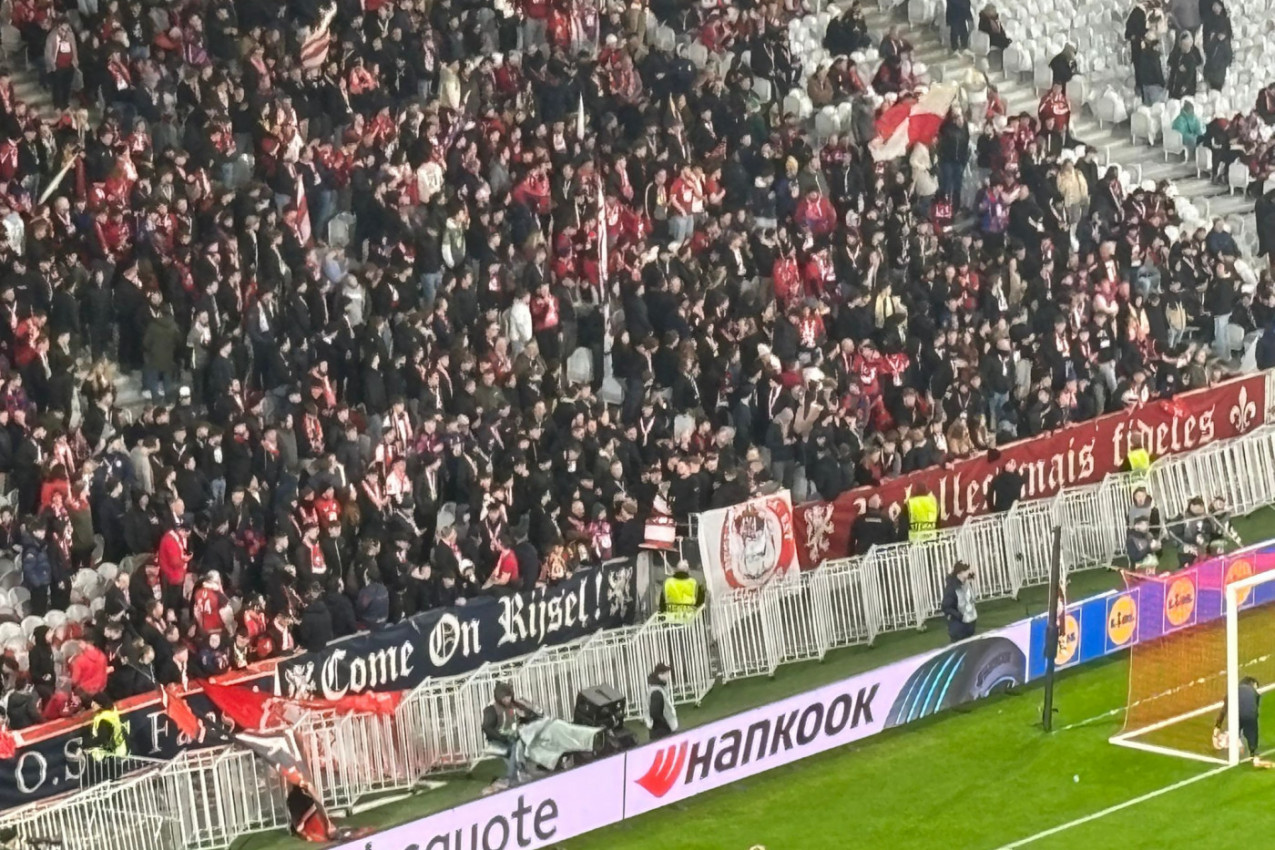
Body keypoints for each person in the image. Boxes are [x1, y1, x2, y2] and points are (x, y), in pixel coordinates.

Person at [481, 682, 532, 793]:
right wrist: (502, 738)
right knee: (515, 745)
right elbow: (487, 727)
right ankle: (512, 776)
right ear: (499, 698)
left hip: (514, 737)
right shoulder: (492, 709)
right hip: (498, 740)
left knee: (522, 743)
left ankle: (522, 771)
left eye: (509, 697)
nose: (507, 700)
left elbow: (528, 716)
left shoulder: (514, 706)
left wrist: (524, 715)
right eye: (505, 698)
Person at [1214, 677, 1275, 767]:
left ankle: (1229, 740)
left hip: (1237, 715)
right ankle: (1254, 756)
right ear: (1253, 684)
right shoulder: (1255, 693)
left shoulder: (1232, 692)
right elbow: (1253, 708)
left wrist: (1217, 725)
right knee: (1252, 733)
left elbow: (1224, 710)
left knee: (1237, 725)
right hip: (1251, 716)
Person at [83, 694, 128, 783]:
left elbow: (102, 739)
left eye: (94, 703)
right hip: (118, 750)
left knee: (112, 779)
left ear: (100, 705)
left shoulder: (103, 720)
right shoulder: (111, 713)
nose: (92, 705)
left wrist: (87, 745)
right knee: (116, 778)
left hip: (109, 756)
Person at [941, 562, 978, 642]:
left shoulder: (966, 584)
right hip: (959, 627)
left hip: (970, 624)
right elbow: (946, 607)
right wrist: (959, 616)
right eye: (966, 570)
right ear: (959, 573)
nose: (969, 571)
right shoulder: (952, 588)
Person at [645, 662, 679, 741]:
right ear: (660, 675)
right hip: (662, 732)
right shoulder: (657, 692)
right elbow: (655, 714)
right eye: (666, 673)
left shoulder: (657, 688)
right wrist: (666, 726)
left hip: (661, 730)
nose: (668, 676)